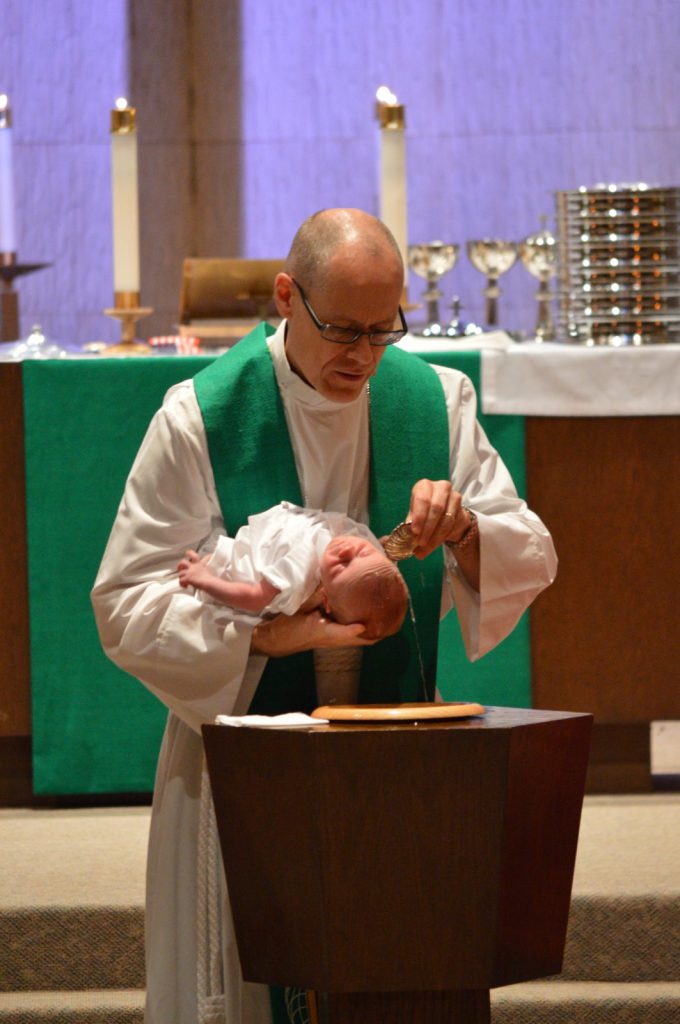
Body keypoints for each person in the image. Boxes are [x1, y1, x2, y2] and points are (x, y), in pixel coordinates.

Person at [91, 207, 557, 1024]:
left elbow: (530, 553)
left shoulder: (434, 400)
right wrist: (272, 634)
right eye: (344, 329)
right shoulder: (200, 416)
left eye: (386, 330)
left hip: (399, 760)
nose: (365, 356)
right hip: (243, 753)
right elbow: (128, 606)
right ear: (285, 297)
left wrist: (467, 528)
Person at [176, 500, 408, 638]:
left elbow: (255, 598)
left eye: (342, 567)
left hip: (225, 569)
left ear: (324, 596)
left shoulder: (302, 568)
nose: (348, 550)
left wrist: (205, 579)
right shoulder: (369, 555)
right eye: (364, 553)